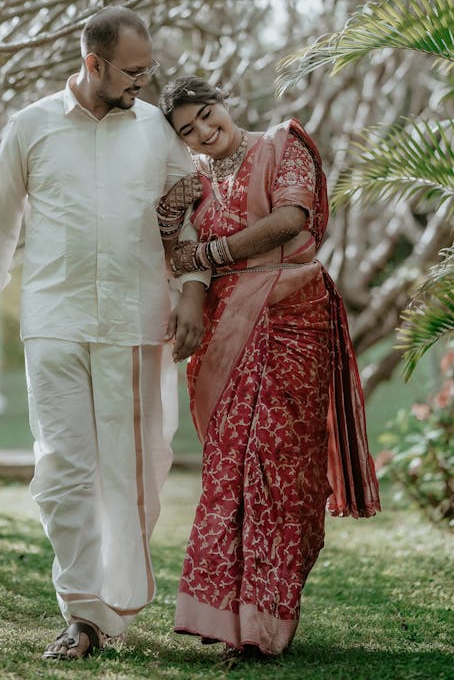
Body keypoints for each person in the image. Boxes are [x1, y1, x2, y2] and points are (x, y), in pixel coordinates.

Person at [0, 8, 207, 662]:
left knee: (136, 471)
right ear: (93, 63)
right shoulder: (31, 126)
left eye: (148, 69)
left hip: (134, 323)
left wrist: (193, 291)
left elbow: (188, 219)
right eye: (132, 70)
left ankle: (116, 599)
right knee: (63, 468)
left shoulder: (157, 128)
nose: (143, 80)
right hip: (54, 322)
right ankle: (83, 613)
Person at [157, 75, 380, 662]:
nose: (205, 131)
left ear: (224, 103)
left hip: (294, 319)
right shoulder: (195, 182)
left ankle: (268, 620)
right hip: (226, 330)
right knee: (230, 467)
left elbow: (290, 220)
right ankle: (228, 623)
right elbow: (166, 247)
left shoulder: (283, 146)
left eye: (208, 114)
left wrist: (208, 253)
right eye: (189, 130)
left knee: (281, 467)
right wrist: (168, 214)